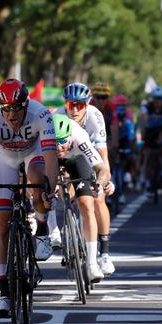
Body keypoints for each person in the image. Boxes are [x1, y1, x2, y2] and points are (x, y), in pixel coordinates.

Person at [0, 78, 57, 318]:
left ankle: (42, 229)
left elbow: (51, 159)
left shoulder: (41, 114)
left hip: (33, 154)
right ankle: (4, 293)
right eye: (6, 109)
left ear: (25, 104)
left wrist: (49, 190)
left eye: (16, 108)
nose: (11, 114)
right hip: (3, 159)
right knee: (0, 223)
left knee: (38, 179)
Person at [58, 83, 116, 276]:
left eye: (79, 105)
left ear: (87, 104)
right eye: (70, 104)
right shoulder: (57, 116)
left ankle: (104, 253)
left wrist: (105, 180)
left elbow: (101, 155)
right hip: (63, 156)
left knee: (97, 199)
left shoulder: (95, 116)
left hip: (87, 155)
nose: (74, 110)